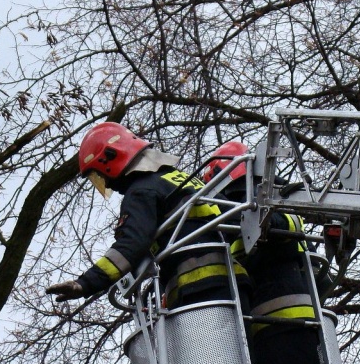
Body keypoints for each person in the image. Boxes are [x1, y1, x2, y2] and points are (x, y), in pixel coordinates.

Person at [204, 141, 343, 364]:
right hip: (306, 320)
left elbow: (250, 248)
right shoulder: (277, 199)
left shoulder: (245, 205)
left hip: (273, 319)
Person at [46, 122, 247, 307]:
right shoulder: (185, 180)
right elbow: (239, 220)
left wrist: (85, 284)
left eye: (100, 174)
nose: (105, 183)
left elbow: (131, 245)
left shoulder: (142, 191)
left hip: (198, 289)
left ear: (111, 156)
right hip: (239, 284)